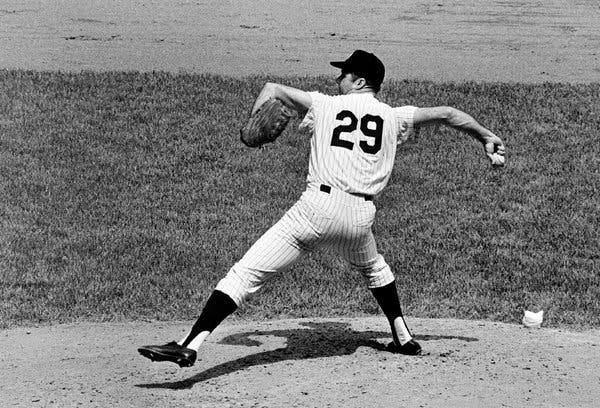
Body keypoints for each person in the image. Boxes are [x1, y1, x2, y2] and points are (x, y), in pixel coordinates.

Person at [138, 50, 505, 368]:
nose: (337, 78)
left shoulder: (325, 104)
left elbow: (273, 89)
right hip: (359, 221)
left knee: (244, 275)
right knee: (374, 267)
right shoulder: (395, 117)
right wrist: (486, 137)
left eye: (343, 74)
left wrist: (251, 128)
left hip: (314, 212)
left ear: (360, 81)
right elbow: (448, 113)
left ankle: (189, 346)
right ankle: (403, 335)